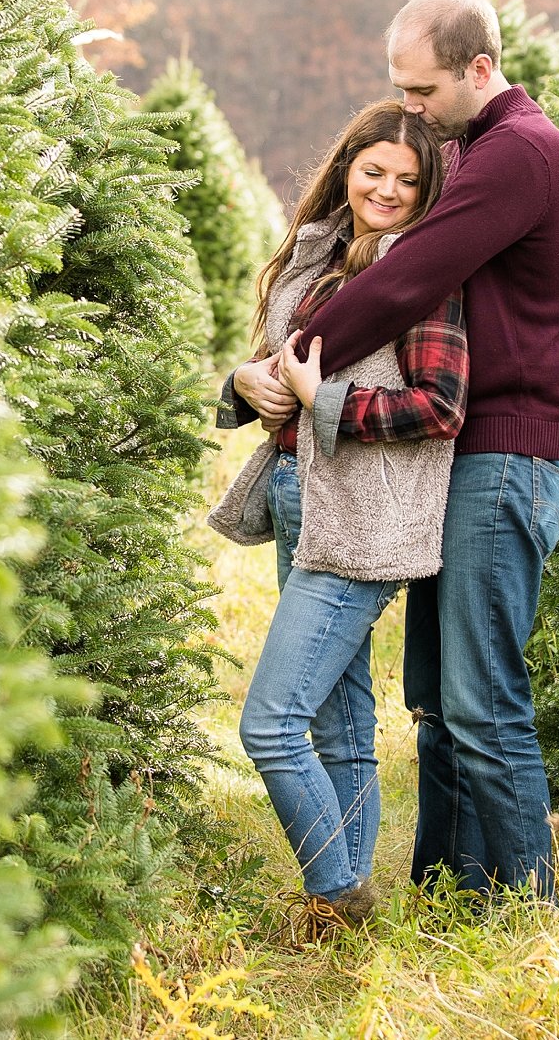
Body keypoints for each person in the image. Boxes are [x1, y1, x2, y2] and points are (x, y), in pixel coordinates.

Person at [284, 0, 559, 899]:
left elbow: (415, 273)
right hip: (469, 461)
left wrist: (302, 355)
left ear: (479, 69)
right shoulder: (480, 148)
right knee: (440, 704)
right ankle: (453, 895)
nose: (408, 110)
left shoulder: (519, 153)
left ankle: (533, 913)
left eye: (420, 92)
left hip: (508, 457)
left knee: (483, 703)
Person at [207, 101, 467, 937]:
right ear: (346, 165)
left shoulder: (423, 272)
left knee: (271, 723)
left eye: (407, 179)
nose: (386, 189)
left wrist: (334, 403)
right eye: (373, 170)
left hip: (365, 517)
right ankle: (346, 904)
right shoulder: (315, 249)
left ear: (427, 191)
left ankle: (333, 892)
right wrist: (245, 381)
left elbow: (441, 404)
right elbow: (276, 364)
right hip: (296, 492)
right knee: (340, 716)